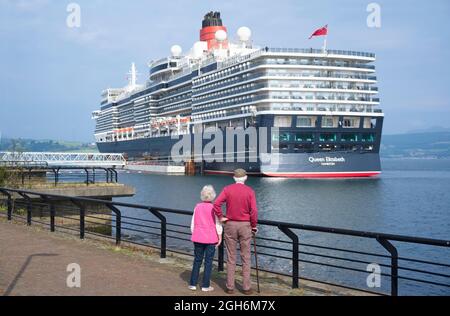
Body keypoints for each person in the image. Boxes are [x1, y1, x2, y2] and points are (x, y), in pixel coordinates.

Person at [213, 169, 258, 295]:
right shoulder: (250, 191)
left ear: (234, 178)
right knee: (246, 257)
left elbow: (216, 204)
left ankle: (230, 287)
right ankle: (246, 288)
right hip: (245, 226)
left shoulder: (227, 189)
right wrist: (254, 226)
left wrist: (221, 217)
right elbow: (254, 211)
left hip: (230, 225)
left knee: (231, 257)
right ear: (245, 177)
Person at [189, 185, 223, 292]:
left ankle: (193, 283)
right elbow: (217, 223)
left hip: (198, 237)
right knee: (208, 262)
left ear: (202, 195)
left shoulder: (197, 207)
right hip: (210, 238)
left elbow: (193, 223)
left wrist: (195, 233)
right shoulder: (214, 208)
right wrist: (220, 235)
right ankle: (205, 285)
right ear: (213, 196)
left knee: (197, 260)